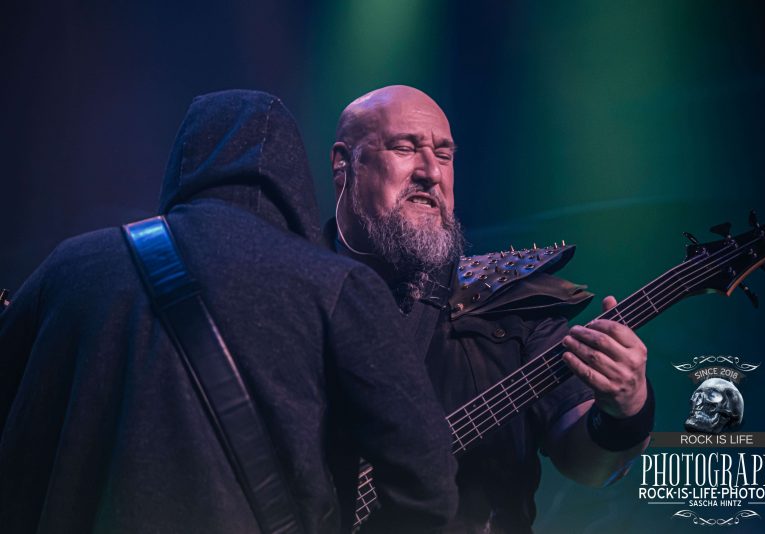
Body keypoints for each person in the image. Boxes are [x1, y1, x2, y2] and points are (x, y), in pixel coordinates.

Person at [0, 90, 457, 534]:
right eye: (404, 147)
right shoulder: (338, 286)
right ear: (293, 175)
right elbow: (428, 484)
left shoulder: (70, 266)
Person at [327, 85, 654, 533]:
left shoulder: (508, 301)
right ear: (343, 164)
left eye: (444, 155)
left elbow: (587, 467)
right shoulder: (288, 292)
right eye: (405, 148)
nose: (431, 172)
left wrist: (626, 410)